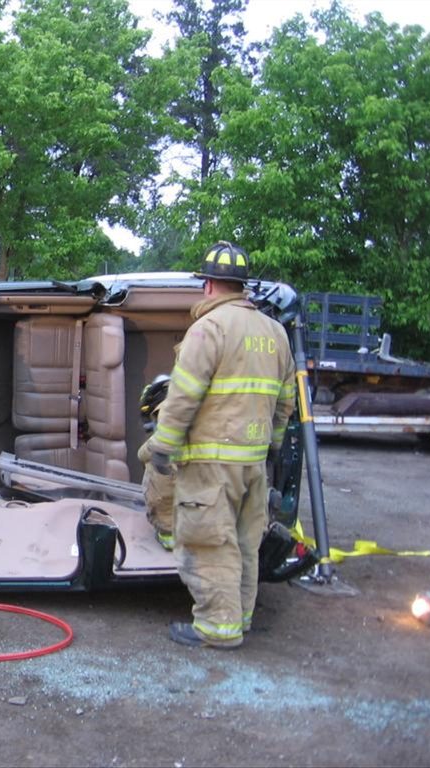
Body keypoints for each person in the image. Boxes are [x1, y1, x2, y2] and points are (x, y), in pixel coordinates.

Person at [144, 241, 295, 649]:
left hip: (210, 463)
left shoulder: (208, 329)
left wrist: (163, 448)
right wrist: (271, 445)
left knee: (209, 542)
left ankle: (216, 627)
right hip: (253, 463)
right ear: (242, 286)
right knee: (245, 544)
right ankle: (239, 619)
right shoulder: (276, 333)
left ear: (208, 285)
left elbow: (183, 396)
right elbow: (285, 401)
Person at [136, 373, 175, 551]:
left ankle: (168, 534)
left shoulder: (167, 411)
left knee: (157, 463)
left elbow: (157, 448)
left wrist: (143, 453)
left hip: (183, 530)